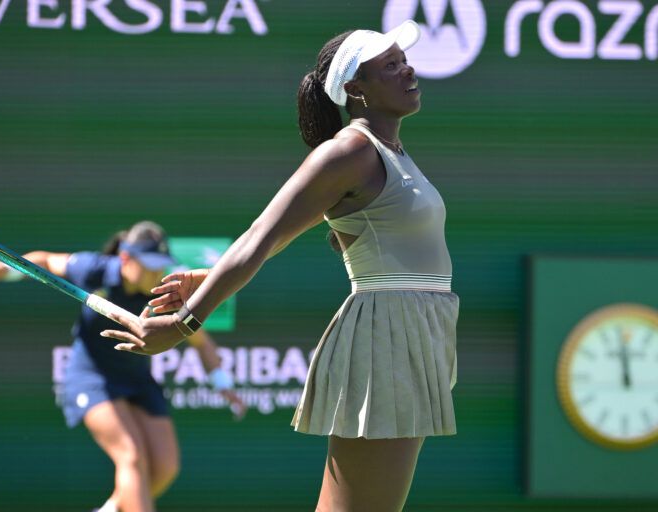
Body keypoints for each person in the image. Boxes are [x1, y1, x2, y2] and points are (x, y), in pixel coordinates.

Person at [102, 20, 458, 512]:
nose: (409, 70)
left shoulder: (389, 154)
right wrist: (185, 323)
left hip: (415, 333)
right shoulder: (349, 150)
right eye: (391, 65)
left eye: (405, 60)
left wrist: (206, 278)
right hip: (387, 339)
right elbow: (261, 234)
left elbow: (296, 241)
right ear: (356, 90)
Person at [0, 220, 245, 512]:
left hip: (137, 380)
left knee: (165, 467)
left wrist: (222, 383)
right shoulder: (95, 270)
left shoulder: (164, 293)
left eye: (161, 265)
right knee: (131, 456)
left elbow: (201, 341)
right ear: (125, 258)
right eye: (150, 265)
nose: (156, 273)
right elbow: (47, 262)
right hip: (92, 377)